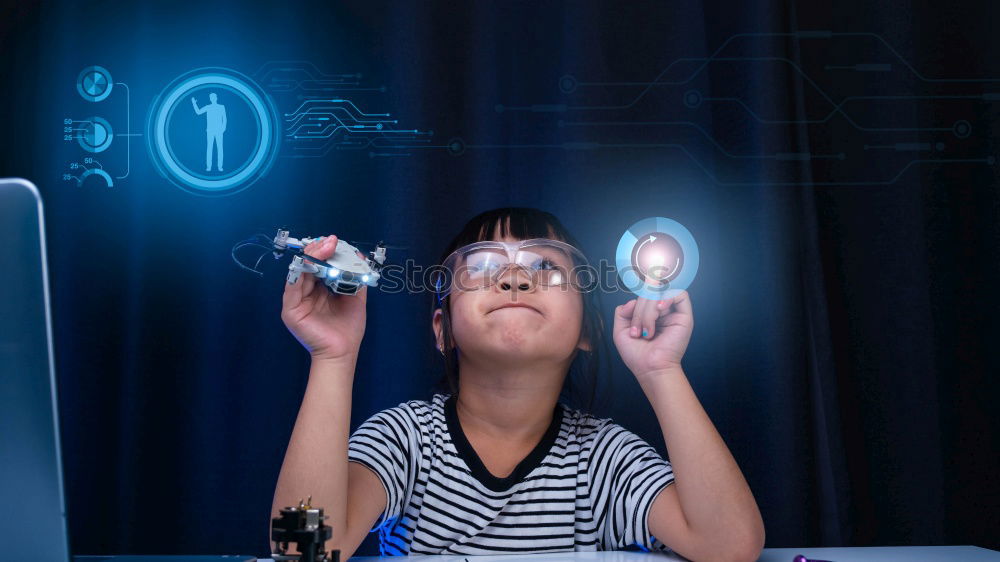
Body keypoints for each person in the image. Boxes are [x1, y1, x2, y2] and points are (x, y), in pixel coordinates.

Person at [271, 207, 764, 561]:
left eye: (545, 266)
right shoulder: (407, 440)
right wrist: (332, 356)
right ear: (443, 330)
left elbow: (727, 545)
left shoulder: (605, 457)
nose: (514, 280)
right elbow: (303, 549)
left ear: (588, 332)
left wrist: (661, 371)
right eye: (483, 266)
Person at [191, 93, 226, 172]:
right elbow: (198, 112)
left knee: (220, 148)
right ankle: (208, 167)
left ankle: (220, 167)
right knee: (209, 148)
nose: (213, 98)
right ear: (210, 99)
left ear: (216, 98)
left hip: (219, 131)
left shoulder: (221, 107)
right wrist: (194, 103)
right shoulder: (208, 107)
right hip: (210, 130)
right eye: (211, 97)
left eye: (214, 97)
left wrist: (223, 128)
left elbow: (225, 118)